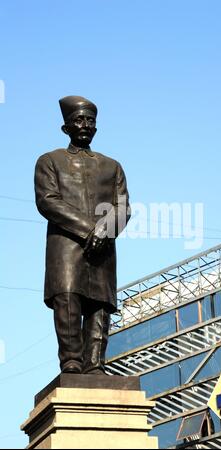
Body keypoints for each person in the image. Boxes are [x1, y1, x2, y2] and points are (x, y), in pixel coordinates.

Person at [34, 96, 130, 374]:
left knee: (100, 303)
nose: (85, 125)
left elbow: (123, 207)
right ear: (65, 127)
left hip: (104, 246)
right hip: (66, 244)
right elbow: (48, 201)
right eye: (79, 119)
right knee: (68, 298)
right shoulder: (50, 161)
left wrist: (105, 231)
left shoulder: (112, 166)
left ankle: (95, 363)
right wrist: (92, 229)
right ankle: (71, 360)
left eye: (90, 120)